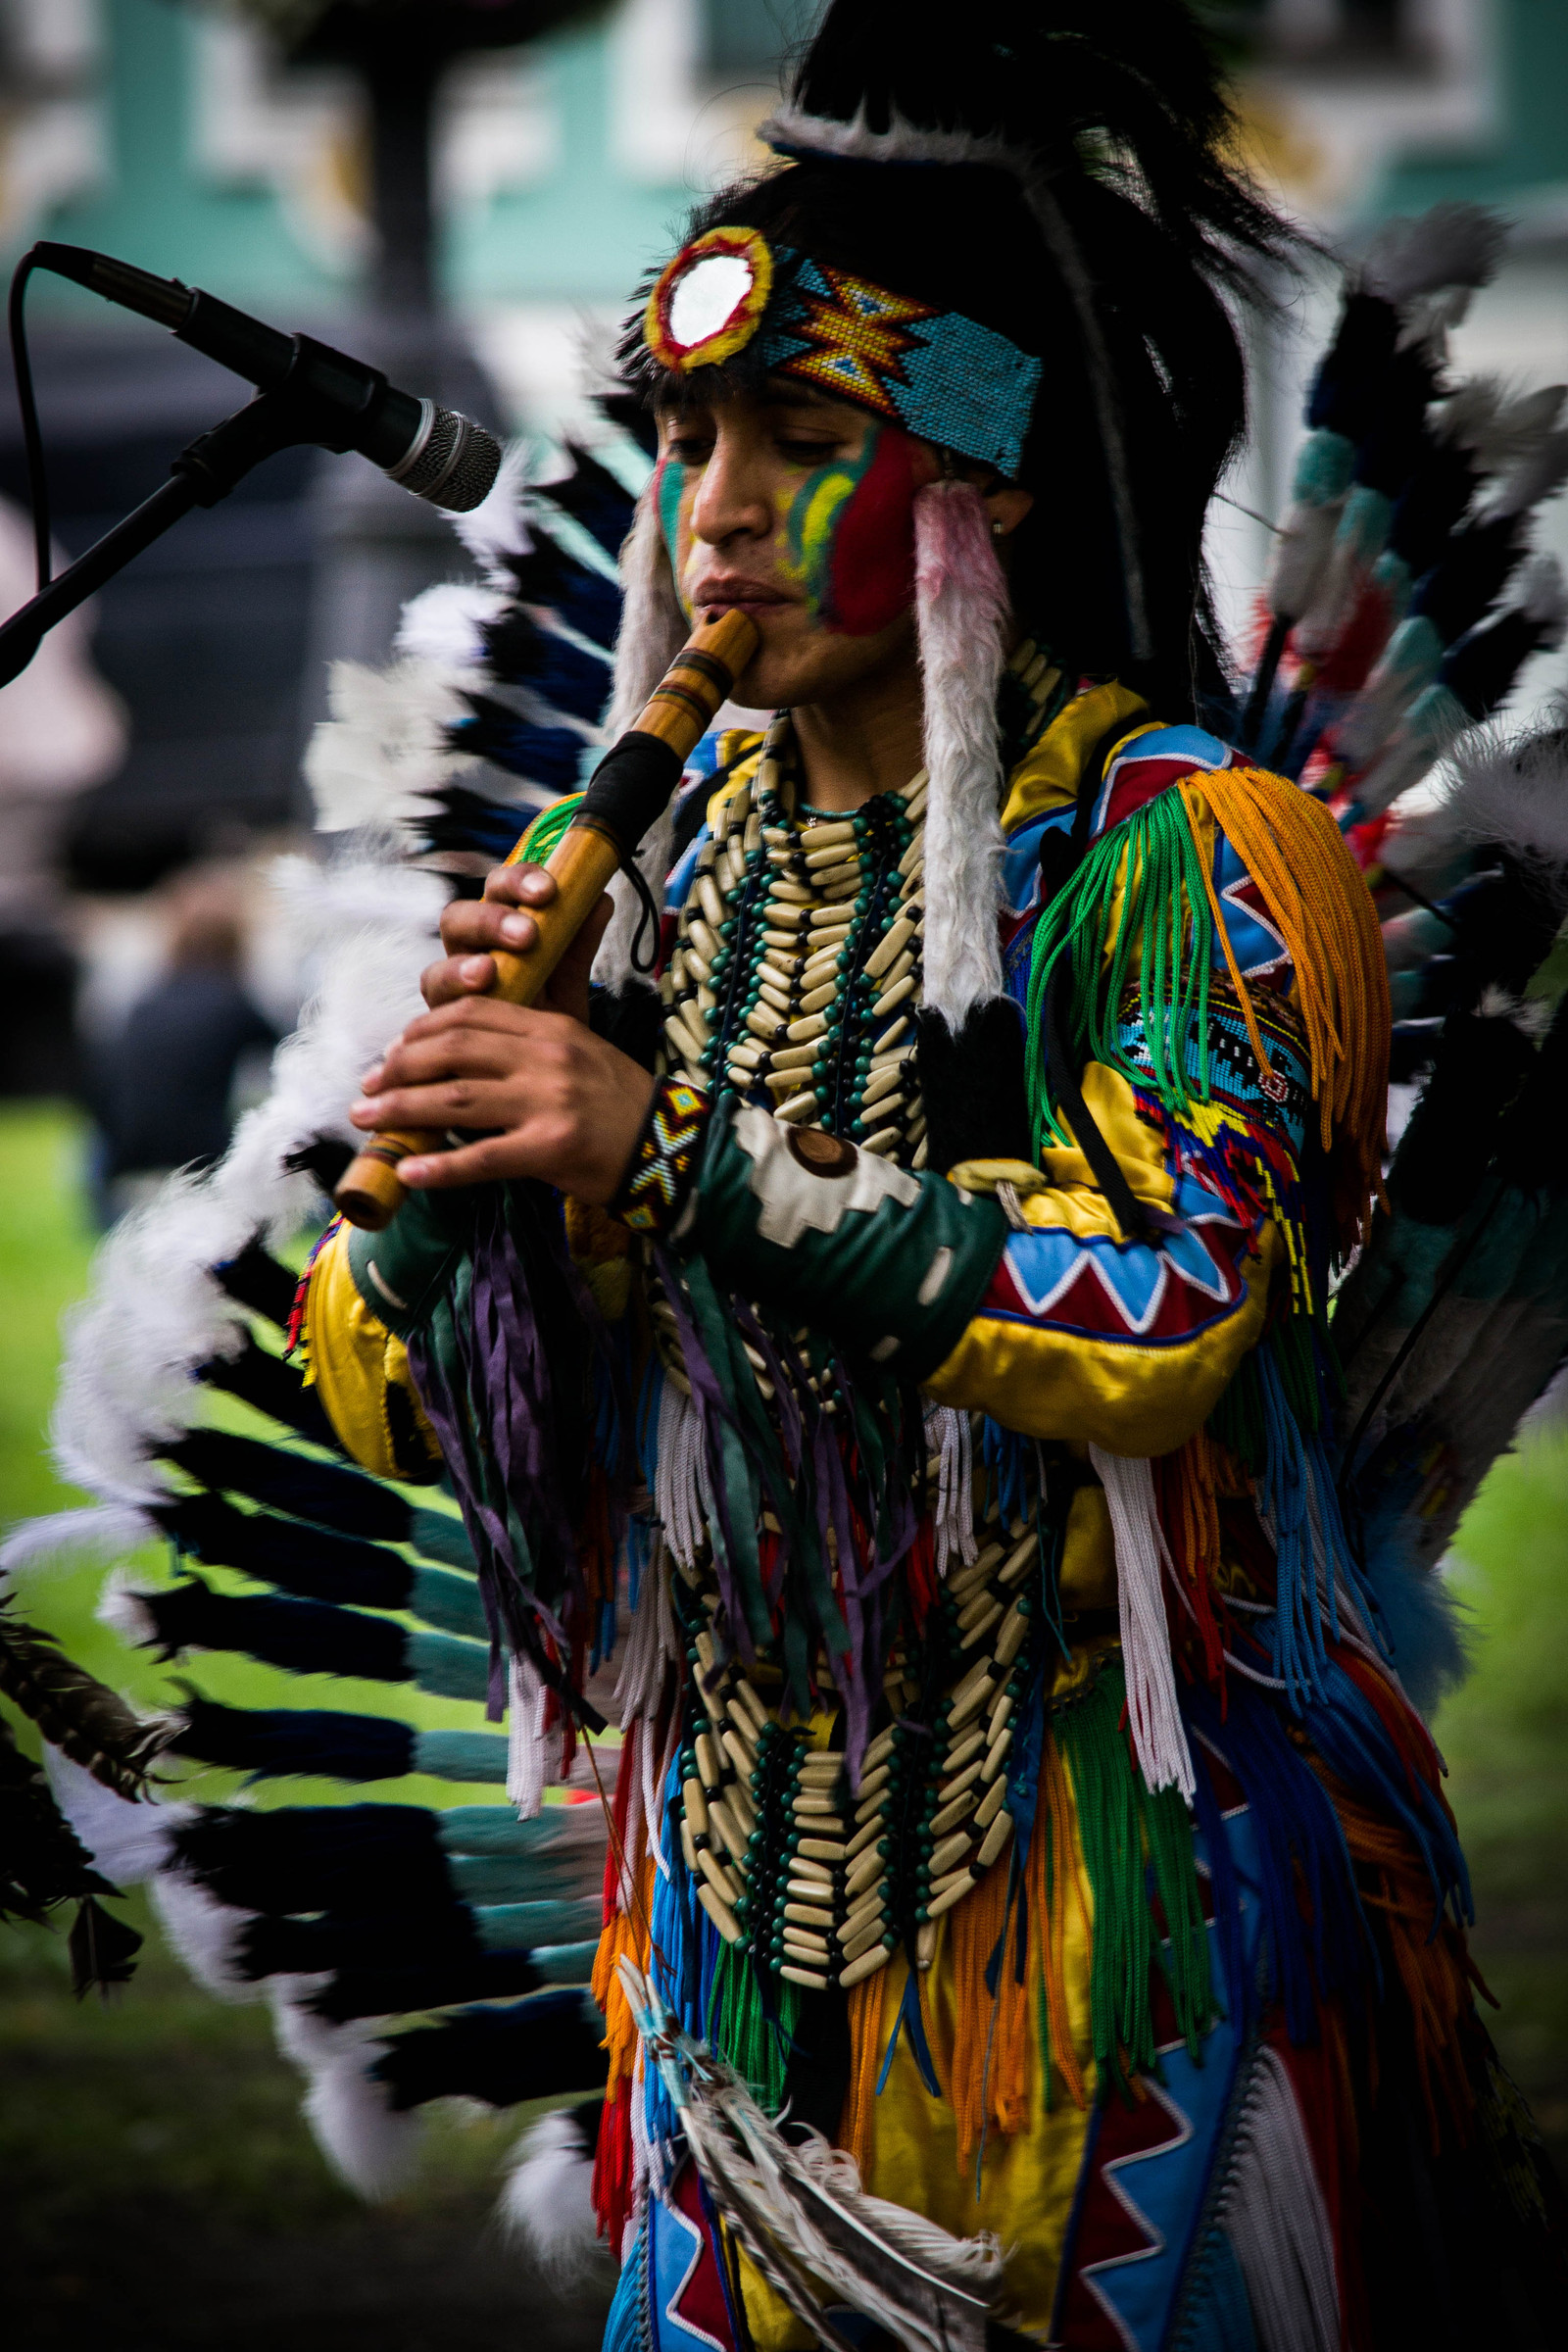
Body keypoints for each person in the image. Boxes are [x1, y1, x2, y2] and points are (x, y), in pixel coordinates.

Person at [280, 2, 1563, 2341]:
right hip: (718, 1930)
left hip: (1118, 1898)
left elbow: (1157, 1315)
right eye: (682, 437)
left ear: (1000, 479)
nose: (717, 511)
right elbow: (389, 1401)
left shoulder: (1185, 850)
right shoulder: (657, 881)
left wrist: (666, 1158)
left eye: (801, 436)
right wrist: (472, 1191)